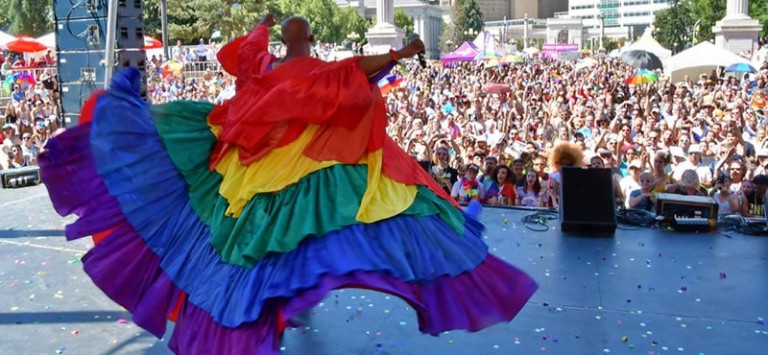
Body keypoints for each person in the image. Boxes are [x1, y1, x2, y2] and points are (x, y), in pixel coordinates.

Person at [39, 14, 537, 354]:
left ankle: (276, 309)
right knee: (310, 233)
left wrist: (261, 27)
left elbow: (248, 59)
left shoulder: (270, 68)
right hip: (299, 167)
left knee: (263, 241)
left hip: (258, 172)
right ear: (312, 39)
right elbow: (360, 70)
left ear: (286, 40)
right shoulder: (318, 69)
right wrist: (402, 51)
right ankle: (286, 304)